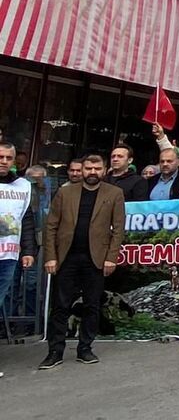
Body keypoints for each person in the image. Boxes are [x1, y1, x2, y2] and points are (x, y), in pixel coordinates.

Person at [40, 154, 125, 369]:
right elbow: (51, 226)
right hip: (66, 257)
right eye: (88, 168)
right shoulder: (65, 192)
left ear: (104, 170)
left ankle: (85, 348)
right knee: (60, 306)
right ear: (82, 169)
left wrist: (111, 258)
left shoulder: (114, 193)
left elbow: (118, 229)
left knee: (92, 305)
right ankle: (55, 351)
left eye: (97, 168)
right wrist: (50, 256)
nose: (92, 172)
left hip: (95, 258)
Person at [0, 143, 36, 378]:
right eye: (0, 156)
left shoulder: (23, 186)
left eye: (8, 158)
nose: (4, 160)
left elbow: (27, 221)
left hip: (8, 257)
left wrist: (28, 250)